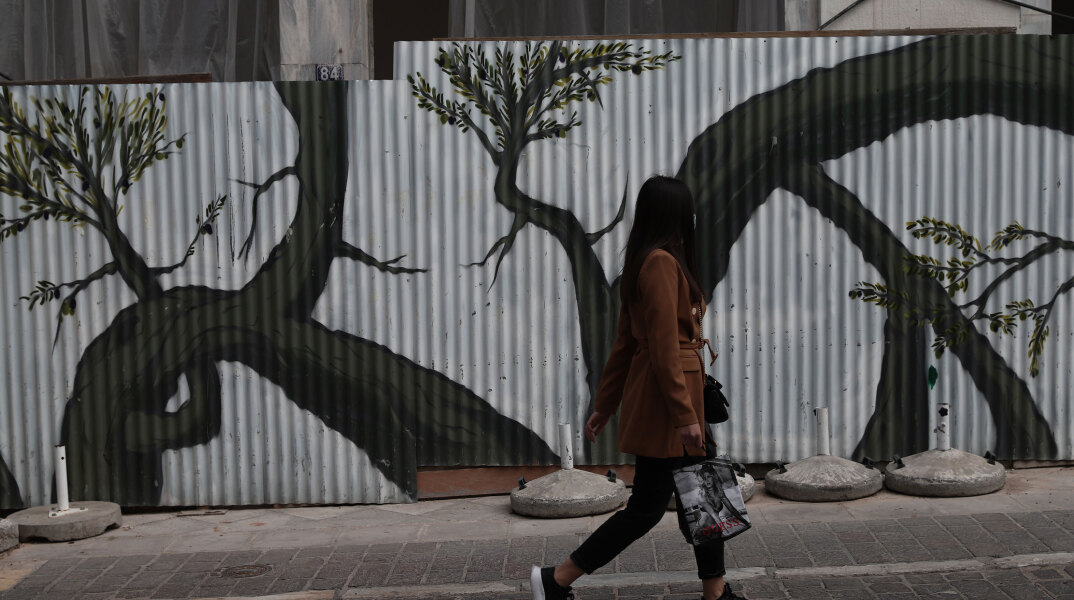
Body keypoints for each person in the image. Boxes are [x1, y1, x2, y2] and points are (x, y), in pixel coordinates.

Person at [530, 175, 745, 600]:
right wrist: (685, 417)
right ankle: (556, 579)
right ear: (676, 215)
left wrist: (605, 404)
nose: (694, 218)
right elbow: (662, 347)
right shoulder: (661, 263)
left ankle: (715, 593)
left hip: (670, 402)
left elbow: (625, 344)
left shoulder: (645, 261)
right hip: (671, 407)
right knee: (668, 504)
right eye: (689, 212)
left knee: (697, 498)